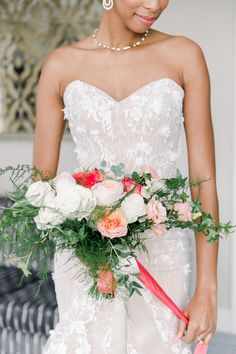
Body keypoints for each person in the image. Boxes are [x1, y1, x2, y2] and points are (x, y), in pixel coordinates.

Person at [33, 0, 219, 353]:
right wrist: (84, 215)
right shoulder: (61, 64)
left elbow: (203, 179)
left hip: (161, 251)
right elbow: (40, 192)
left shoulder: (184, 55)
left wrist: (207, 288)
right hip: (85, 257)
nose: (156, 4)